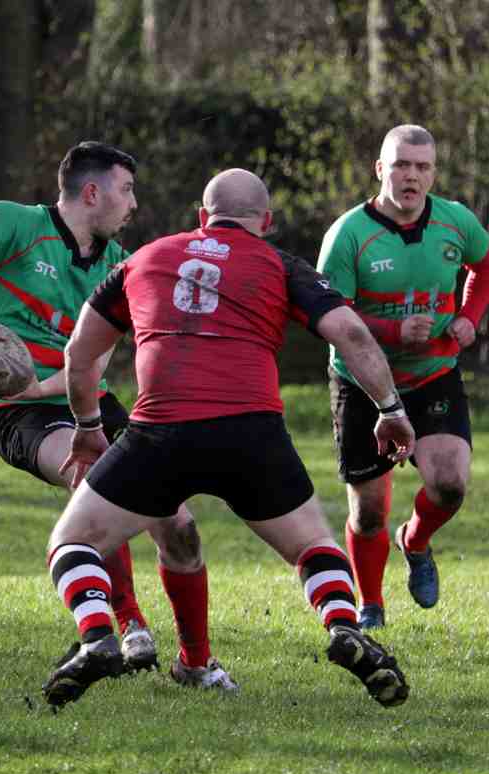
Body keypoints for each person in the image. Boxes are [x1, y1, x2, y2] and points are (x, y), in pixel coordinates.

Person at [40, 168, 416, 709]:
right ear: (265, 222)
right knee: (314, 549)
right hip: (251, 435)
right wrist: (390, 409)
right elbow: (352, 334)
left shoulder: (141, 259)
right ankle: (342, 625)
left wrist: (88, 428)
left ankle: (99, 634)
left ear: (201, 217)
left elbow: (80, 353)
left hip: (160, 433)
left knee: (72, 544)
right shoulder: (281, 264)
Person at [0, 141, 231, 688]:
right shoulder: (19, 226)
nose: (133, 204)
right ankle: (124, 625)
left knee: (178, 522)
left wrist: (47, 381)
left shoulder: (116, 264)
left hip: (83, 397)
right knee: (100, 478)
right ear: (93, 192)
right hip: (14, 412)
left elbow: (98, 360)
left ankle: (195, 663)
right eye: (126, 190)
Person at [317, 124, 489, 629]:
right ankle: (370, 607)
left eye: (422, 167)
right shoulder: (349, 235)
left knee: (450, 486)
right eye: (401, 165)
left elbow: (487, 267)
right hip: (363, 385)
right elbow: (329, 314)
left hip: (433, 375)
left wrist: (469, 315)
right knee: (369, 511)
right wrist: (391, 330)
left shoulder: (456, 222)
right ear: (380, 169)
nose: (411, 176)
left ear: (433, 173)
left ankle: (415, 542)